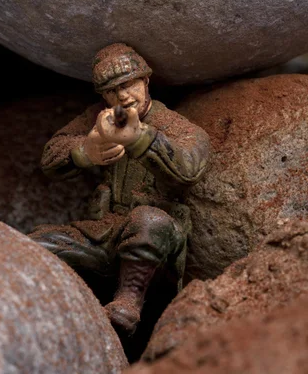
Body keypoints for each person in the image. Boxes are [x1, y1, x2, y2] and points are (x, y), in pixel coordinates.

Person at [29, 43, 211, 335]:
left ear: (146, 81)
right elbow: (50, 157)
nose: (123, 96)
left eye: (128, 84)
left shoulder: (172, 124)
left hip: (155, 240)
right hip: (103, 233)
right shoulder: (100, 117)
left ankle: (129, 301)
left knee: (150, 221)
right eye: (112, 91)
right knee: (38, 243)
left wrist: (140, 138)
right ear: (103, 95)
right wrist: (85, 151)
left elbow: (190, 166)